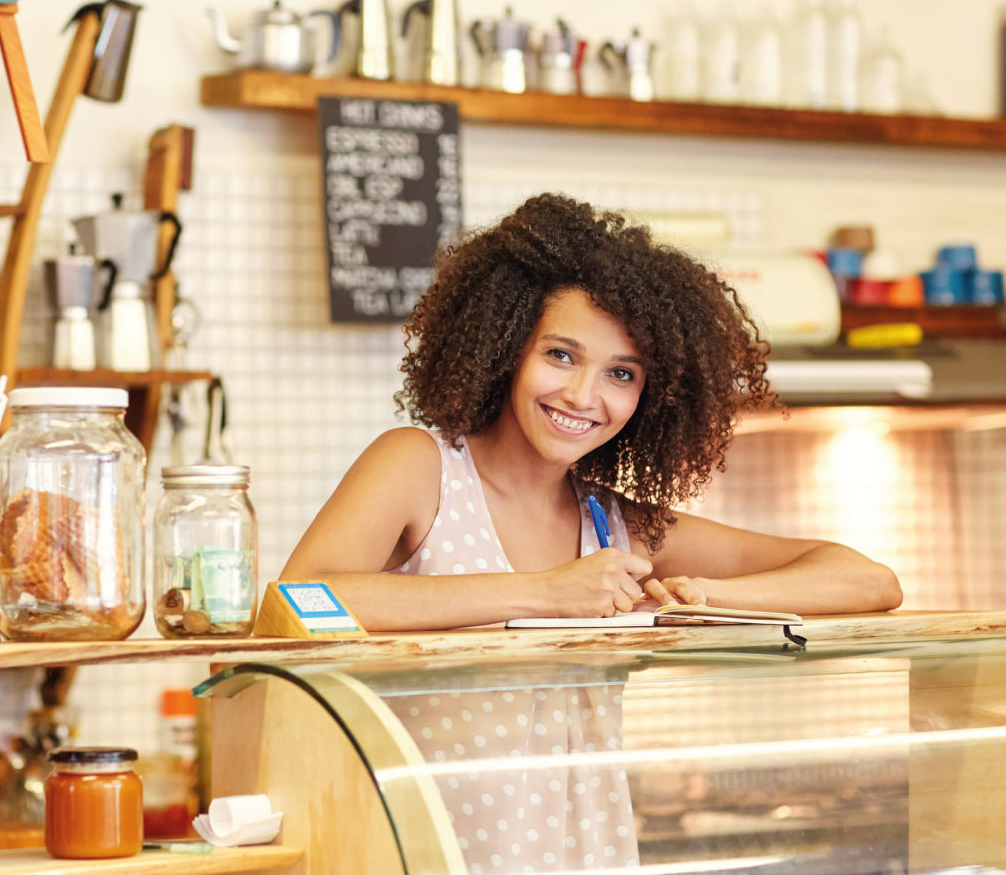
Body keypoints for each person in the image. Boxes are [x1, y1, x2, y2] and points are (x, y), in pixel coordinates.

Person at [282, 192, 903, 630]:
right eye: (560, 354)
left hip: (590, 820)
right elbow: (295, 601)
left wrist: (703, 595)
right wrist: (542, 593)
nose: (583, 395)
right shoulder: (419, 469)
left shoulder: (614, 524)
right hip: (431, 821)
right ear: (505, 348)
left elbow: (869, 581)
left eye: (621, 373)